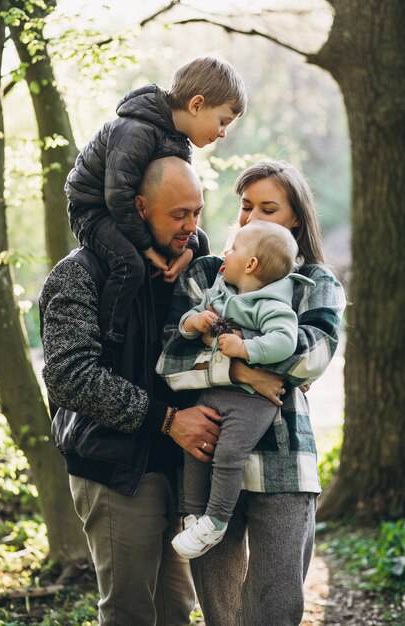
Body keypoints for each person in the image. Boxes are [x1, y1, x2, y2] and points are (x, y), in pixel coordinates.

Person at [156, 159, 347, 626]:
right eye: (246, 206)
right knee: (220, 611)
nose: (252, 217)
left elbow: (311, 357)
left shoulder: (316, 283)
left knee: (274, 608)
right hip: (207, 451)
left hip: (284, 463)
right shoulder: (206, 276)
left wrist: (222, 354)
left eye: (268, 207)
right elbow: (171, 363)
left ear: (296, 217)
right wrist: (243, 373)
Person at [40, 157, 228, 626]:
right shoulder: (79, 274)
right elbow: (69, 376)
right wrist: (167, 419)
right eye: (177, 214)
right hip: (117, 470)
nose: (191, 226)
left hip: (182, 470)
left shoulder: (196, 272)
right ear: (139, 208)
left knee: (175, 612)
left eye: (197, 213)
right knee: (130, 614)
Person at [65, 56, 247, 344]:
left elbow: (175, 206)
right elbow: (118, 195)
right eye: (222, 121)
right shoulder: (135, 130)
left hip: (136, 210)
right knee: (130, 264)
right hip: (95, 211)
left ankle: (193, 322)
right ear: (196, 105)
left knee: (199, 242)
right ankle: (110, 335)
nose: (223, 133)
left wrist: (187, 250)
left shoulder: (177, 140)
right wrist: (147, 247)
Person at [170, 221, 314, 559]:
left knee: (228, 454)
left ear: (251, 265)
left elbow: (284, 342)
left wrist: (246, 349)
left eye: (232, 249)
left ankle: (217, 519)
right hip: (217, 392)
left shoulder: (273, 304)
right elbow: (191, 318)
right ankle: (194, 514)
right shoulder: (221, 292)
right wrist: (194, 323)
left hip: (253, 402)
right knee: (198, 446)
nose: (224, 253)